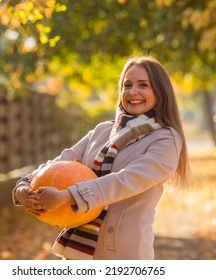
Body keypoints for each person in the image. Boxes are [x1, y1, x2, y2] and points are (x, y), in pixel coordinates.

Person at [12, 55, 191, 260]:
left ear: (160, 91)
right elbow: (60, 162)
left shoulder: (166, 139)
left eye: (143, 85)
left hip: (124, 254)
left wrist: (66, 196)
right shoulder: (103, 131)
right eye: (127, 85)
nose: (133, 92)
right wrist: (23, 187)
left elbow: (125, 181)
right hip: (79, 253)